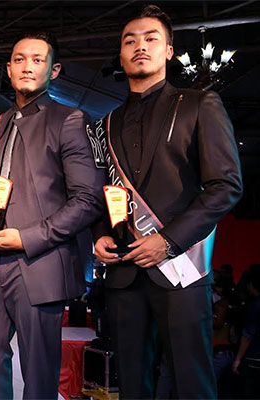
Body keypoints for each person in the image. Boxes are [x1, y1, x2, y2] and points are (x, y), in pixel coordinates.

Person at [92, 5, 243, 399]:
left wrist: (168, 240)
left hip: (181, 271)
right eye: (130, 41)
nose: (140, 46)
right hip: (123, 273)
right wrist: (98, 234)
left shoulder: (199, 104)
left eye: (151, 38)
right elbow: (98, 192)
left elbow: (226, 186)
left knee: (191, 383)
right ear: (121, 55)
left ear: (169, 51)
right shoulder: (104, 124)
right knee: (130, 384)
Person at [0, 31, 105, 399]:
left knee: (39, 372)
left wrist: (27, 237)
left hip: (40, 262)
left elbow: (88, 200)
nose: (27, 66)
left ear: (53, 70)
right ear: (8, 68)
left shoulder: (70, 118)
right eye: (19, 59)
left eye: (37, 60)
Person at [233, 265, 260, 399]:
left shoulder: (254, 305)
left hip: (253, 358)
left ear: (251, 285)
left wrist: (238, 359)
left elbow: (247, 335)